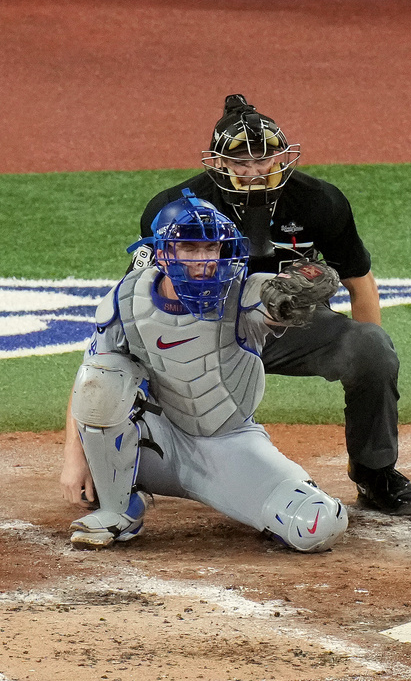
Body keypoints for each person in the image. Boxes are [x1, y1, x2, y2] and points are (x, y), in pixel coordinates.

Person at [137, 94, 411, 515]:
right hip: (202, 330)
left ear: (282, 158)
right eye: (241, 163)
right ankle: (123, 466)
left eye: (264, 160)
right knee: (127, 362)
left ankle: (374, 471)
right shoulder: (176, 207)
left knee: (371, 348)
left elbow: (360, 285)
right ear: (217, 163)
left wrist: (372, 354)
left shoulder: (318, 201)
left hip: (288, 329)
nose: (255, 172)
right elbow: (141, 294)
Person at [59, 191, 348, 551]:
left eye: (211, 249)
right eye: (190, 248)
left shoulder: (243, 294)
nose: (204, 261)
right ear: (163, 252)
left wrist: (304, 285)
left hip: (229, 446)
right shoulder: (127, 300)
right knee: (103, 377)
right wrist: (75, 456)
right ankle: (120, 507)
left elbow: (277, 300)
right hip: (154, 444)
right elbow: (88, 378)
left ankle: (266, 495)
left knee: (317, 525)